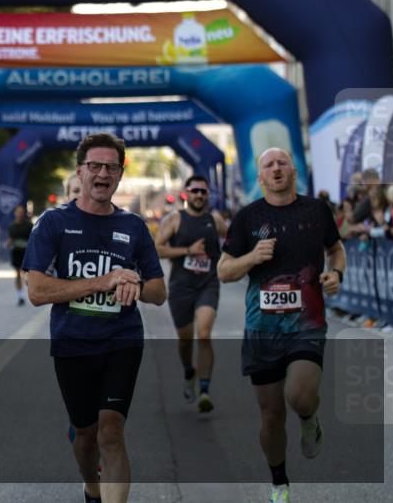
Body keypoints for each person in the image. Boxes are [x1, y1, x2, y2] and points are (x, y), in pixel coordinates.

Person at [23, 133, 166, 503]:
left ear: (120, 174)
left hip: (122, 340)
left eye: (111, 167)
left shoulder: (134, 226)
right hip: (73, 342)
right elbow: (37, 291)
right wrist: (103, 281)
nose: (103, 174)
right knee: (85, 435)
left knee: (111, 431)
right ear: (80, 171)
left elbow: (158, 291)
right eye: (95, 166)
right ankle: (91, 486)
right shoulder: (53, 223)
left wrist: (135, 284)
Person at [218, 147, 345, 503]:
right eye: (268, 165)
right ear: (260, 177)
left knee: (299, 395)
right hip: (262, 329)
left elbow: (336, 248)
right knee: (271, 415)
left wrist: (336, 273)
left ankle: (308, 416)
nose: (276, 169)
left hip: (307, 323)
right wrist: (251, 257)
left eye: (282, 163)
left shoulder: (316, 210)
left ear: (294, 171)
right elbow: (224, 271)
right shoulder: (247, 218)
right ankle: (279, 484)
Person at [155, 175, 228, 412]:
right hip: (181, 287)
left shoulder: (215, 219)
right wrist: (188, 250)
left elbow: (233, 241)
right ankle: (189, 371)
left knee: (204, 334)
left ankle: (205, 390)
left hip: (208, 284)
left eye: (203, 191)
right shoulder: (175, 219)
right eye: (195, 190)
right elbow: (157, 249)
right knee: (185, 340)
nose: (199, 195)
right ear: (186, 193)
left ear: (208, 195)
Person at [7, 205, 32, 306]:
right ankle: (20, 296)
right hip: (16, 252)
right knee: (17, 274)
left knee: (27, 274)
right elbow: (10, 240)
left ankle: (30, 292)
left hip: (26, 252)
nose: (20, 214)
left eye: (21, 212)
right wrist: (9, 243)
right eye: (18, 212)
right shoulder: (12, 226)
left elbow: (33, 239)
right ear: (15, 213)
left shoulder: (29, 225)